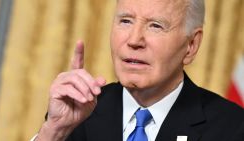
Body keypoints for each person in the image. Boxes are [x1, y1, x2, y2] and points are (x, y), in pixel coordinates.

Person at [34, 0, 244, 140]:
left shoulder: (232, 128)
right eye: (125, 21)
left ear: (191, 46)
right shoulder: (77, 111)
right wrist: (53, 131)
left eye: (155, 26)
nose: (134, 40)